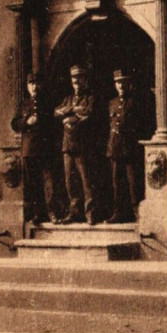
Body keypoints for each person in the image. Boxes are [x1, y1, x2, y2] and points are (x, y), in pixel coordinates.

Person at [54, 64, 98, 224]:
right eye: (74, 79)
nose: (76, 81)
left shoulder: (90, 98)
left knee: (86, 181)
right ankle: (74, 212)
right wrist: (74, 110)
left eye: (79, 78)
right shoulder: (68, 98)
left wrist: (69, 115)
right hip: (67, 146)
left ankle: (90, 213)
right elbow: (56, 112)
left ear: (85, 79)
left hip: (82, 146)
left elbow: (88, 114)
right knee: (70, 182)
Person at [11, 72, 55, 225]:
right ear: (27, 86)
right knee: (32, 183)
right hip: (29, 149)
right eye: (31, 84)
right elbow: (14, 124)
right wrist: (26, 121)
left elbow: (53, 124)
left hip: (45, 148)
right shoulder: (23, 104)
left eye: (37, 83)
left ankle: (52, 213)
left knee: (49, 182)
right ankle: (37, 214)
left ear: (40, 85)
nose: (34, 87)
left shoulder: (47, 103)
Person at [106, 70, 142, 223]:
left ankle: (137, 213)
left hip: (129, 147)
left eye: (123, 82)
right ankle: (118, 213)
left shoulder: (135, 102)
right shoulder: (112, 103)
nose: (120, 85)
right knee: (116, 183)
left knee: (133, 182)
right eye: (118, 82)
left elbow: (141, 125)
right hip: (115, 147)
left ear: (129, 84)